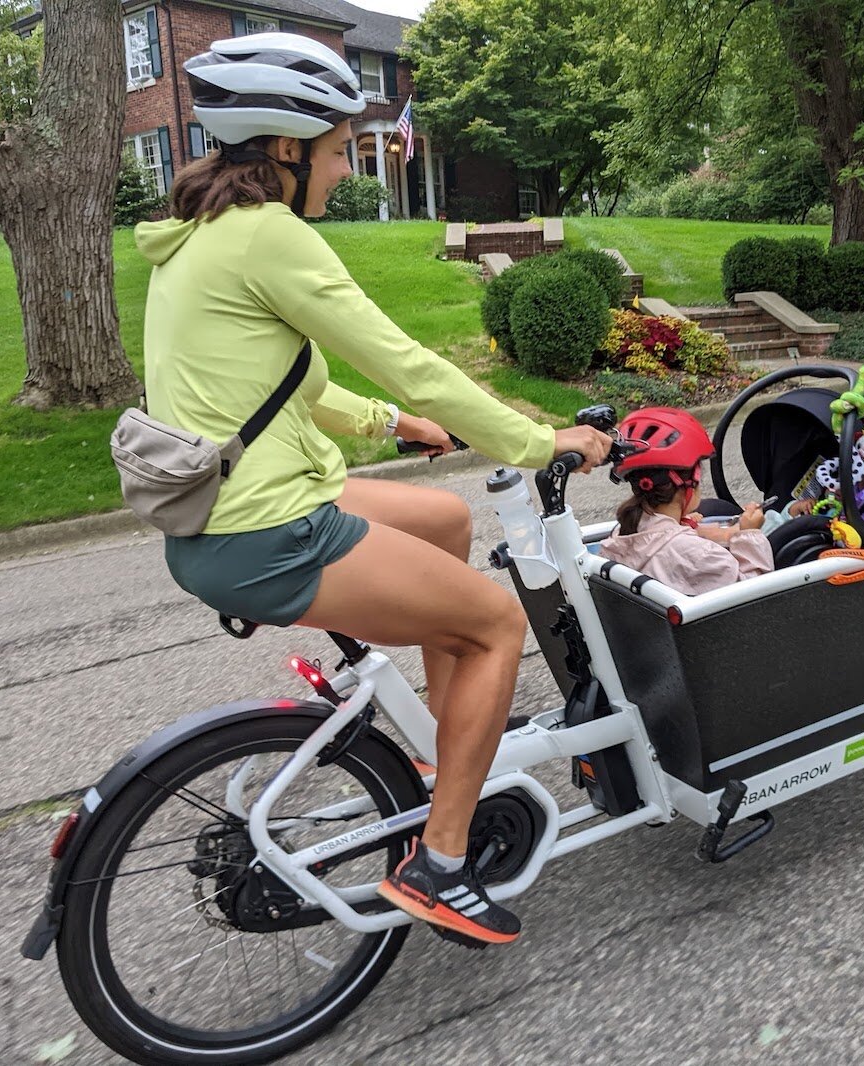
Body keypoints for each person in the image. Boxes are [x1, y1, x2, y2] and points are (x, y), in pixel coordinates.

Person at [138, 33, 611, 946]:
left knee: (439, 518)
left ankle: (449, 755)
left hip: (234, 512)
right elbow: (409, 362)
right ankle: (439, 862)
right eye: (335, 149)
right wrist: (539, 438)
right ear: (285, 152)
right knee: (497, 624)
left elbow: (298, 384)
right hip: (267, 531)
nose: (345, 168)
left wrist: (394, 428)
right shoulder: (271, 237)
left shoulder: (205, 234)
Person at [597, 408, 778, 596]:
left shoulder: (621, 534)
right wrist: (751, 534)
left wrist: (683, 529)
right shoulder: (701, 555)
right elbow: (758, 597)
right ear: (687, 484)